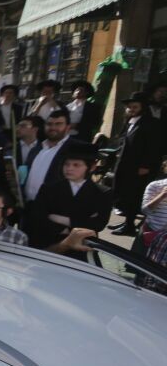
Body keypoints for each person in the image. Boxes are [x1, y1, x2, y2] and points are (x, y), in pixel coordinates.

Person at [28, 140, 112, 251]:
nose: (69, 168)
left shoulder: (102, 192)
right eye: (67, 164)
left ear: (91, 167)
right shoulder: (49, 188)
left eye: (76, 165)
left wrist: (65, 221)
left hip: (82, 245)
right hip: (50, 244)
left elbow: (98, 224)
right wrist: (68, 227)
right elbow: (39, 216)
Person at [111, 91, 165, 236]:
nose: (132, 110)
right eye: (130, 107)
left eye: (135, 107)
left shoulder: (151, 123)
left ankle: (129, 225)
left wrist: (145, 166)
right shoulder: (130, 121)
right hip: (126, 164)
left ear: (142, 107)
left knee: (134, 195)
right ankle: (127, 221)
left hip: (139, 167)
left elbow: (153, 147)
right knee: (124, 193)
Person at [23, 108, 76, 203]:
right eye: (49, 124)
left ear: (68, 127)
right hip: (28, 205)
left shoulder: (75, 149)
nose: (53, 128)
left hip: (54, 208)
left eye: (58, 124)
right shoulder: (36, 149)